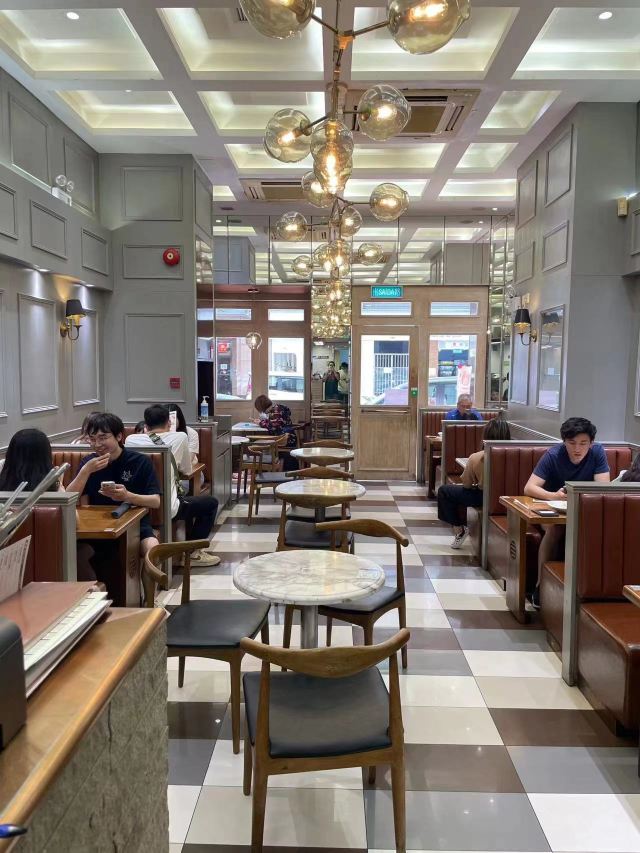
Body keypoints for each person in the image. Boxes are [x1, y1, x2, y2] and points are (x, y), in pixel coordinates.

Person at [524, 416, 610, 609]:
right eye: (572, 443)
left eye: (583, 443)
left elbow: (602, 488)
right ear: (564, 441)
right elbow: (529, 487)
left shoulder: (597, 453)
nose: (577, 448)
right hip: (552, 510)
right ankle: (540, 586)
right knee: (556, 529)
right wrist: (553, 496)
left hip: (584, 510)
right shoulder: (553, 455)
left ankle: (590, 588)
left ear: (591, 443)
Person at [66, 413, 162, 585]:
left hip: (136, 525)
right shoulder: (88, 463)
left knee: (153, 549)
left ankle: (148, 597)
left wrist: (127, 496)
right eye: (92, 439)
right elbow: (67, 500)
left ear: (119, 436)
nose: (97, 444)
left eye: (103, 437)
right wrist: (85, 471)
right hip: (97, 528)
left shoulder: (140, 461)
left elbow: (155, 501)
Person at [125, 405, 220, 566]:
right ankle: (193, 553)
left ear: (146, 425)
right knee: (211, 503)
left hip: (136, 506)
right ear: (169, 422)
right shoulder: (180, 437)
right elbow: (186, 470)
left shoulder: (131, 440)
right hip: (168, 508)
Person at [438, 418, 512, 548]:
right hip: (510, 500)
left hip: (484, 498)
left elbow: (466, 484)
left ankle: (459, 529)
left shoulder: (477, 457)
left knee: (444, 491)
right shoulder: (515, 455)